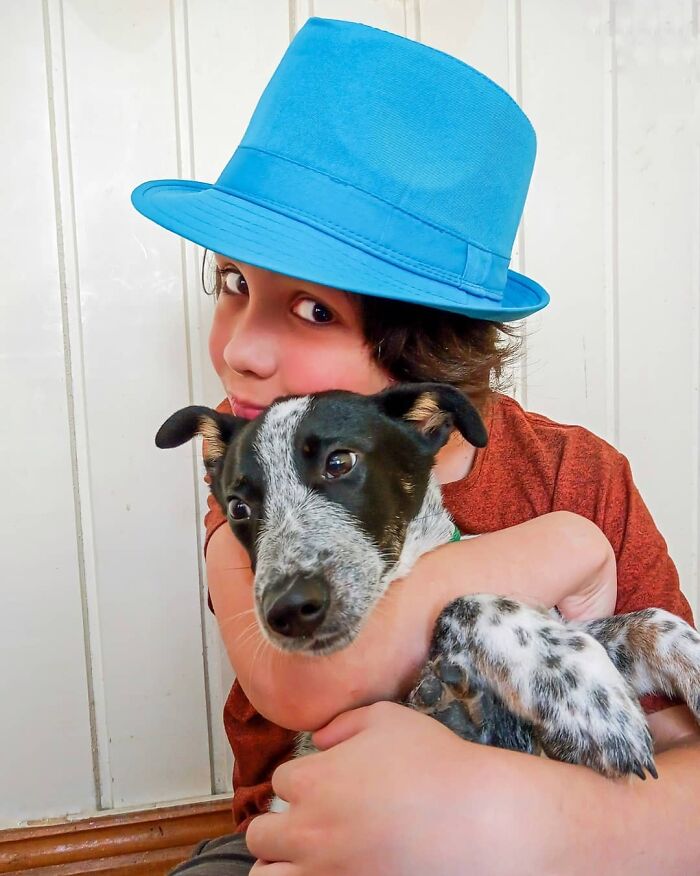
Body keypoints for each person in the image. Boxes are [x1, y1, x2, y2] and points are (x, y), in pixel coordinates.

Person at [132, 17, 699, 875]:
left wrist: (526, 824)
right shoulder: (259, 457)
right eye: (234, 283)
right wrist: (557, 552)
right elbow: (299, 683)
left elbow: (675, 747)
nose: (239, 347)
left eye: (312, 307)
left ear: (425, 348)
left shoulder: (579, 474)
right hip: (308, 843)